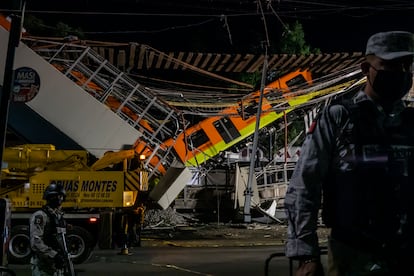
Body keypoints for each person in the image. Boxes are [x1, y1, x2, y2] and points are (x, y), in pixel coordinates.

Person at [284, 30, 414, 276]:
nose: (401, 73)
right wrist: (306, 254)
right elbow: (304, 186)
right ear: (366, 68)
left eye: (407, 65)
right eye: (390, 65)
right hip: (352, 255)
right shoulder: (338, 118)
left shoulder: (410, 122)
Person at [30, 183, 68, 276]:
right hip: (43, 265)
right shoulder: (41, 216)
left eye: (61, 196)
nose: (60, 199)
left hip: (56, 266)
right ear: (50, 197)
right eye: (58, 196)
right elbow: (36, 242)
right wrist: (54, 255)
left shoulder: (58, 216)